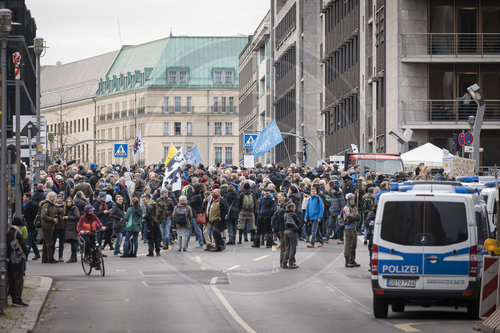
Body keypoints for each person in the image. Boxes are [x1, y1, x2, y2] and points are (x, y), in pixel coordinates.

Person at [7, 217, 28, 307]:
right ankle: (17, 299)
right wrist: (26, 248)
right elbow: (23, 247)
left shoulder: (8, 233)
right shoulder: (17, 234)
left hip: (9, 260)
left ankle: (13, 298)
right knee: (18, 280)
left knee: (11, 280)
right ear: (19, 225)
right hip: (17, 260)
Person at [76, 205, 104, 269]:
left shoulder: (94, 216)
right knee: (87, 242)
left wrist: (101, 227)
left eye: (92, 210)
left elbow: (98, 222)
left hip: (93, 233)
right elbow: (79, 226)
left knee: (95, 247)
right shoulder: (83, 218)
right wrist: (81, 231)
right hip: (85, 234)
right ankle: (86, 256)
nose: (92, 211)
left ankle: (97, 263)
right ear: (87, 211)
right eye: (91, 210)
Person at [39, 192, 59, 264]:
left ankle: (44, 258)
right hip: (46, 226)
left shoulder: (52, 205)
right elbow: (43, 216)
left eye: (55, 196)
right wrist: (52, 219)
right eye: (53, 196)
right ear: (49, 197)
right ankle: (50, 258)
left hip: (50, 225)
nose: (54, 198)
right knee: (49, 242)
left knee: (45, 242)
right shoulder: (46, 205)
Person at [343, 193, 361, 267]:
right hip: (348, 228)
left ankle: (352, 260)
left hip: (354, 227)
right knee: (348, 244)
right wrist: (353, 216)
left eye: (353, 198)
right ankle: (347, 261)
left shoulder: (354, 207)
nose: (353, 200)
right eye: (351, 199)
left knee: (354, 245)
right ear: (348, 200)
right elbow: (348, 218)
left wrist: (353, 216)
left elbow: (358, 217)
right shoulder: (346, 208)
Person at [283, 202, 301, 269]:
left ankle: (284, 263)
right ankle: (291, 263)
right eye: (294, 207)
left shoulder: (285, 214)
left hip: (285, 231)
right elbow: (298, 222)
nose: (295, 208)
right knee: (293, 248)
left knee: (287, 248)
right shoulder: (293, 214)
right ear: (291, 208)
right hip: (292, 232)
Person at [22, 193, 40, 260]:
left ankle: (25, 256)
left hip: (31, 226)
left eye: (24, 197)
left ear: (28, 198)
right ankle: (37, 254)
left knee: (28, 241)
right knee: (31, 241)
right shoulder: (23, 205)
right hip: (26, 225)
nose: (23, 198)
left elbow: (34, 216)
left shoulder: (32, 205)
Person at [63, 196, 80, 263]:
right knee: (72, 243)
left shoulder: (74, 208)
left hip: (73, 227)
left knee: (73, 242)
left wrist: (68, 217)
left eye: (70, 202)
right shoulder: (66, 209)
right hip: (68, 227)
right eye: (67, 202)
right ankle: (73, 257)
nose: (69, 203)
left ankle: (73, 257)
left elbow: (77, 216)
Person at [52, 194, 65, 262]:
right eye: (58, 198)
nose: (59, 199)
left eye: (60, 198)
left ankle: (60, 256)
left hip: (62, 226)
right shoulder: (53, 206)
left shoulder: (64, 206)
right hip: (55, 226)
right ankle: (52, 255)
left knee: (61, 242)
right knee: (53, 241)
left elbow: (65, 214)